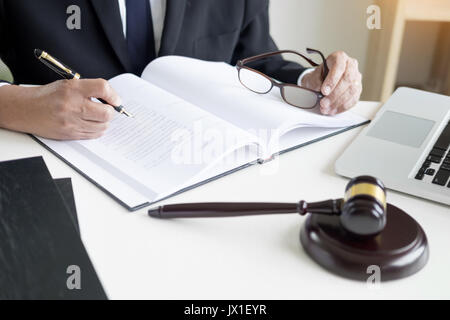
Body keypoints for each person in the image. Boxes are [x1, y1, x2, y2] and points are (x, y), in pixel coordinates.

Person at [0, 0, 362, 140]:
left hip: (202, 173)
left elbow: (258, 59)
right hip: (61, 171)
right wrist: (20, 105)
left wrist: (311, 82)